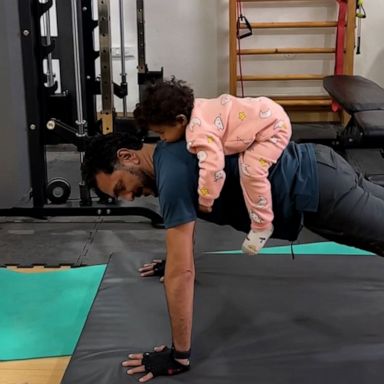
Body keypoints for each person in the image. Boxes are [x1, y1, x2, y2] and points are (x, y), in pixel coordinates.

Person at [82, 131, 384, 382]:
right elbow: (186, 228)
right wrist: (175, 258)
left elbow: (182, 275)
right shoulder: (170, 150)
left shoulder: (170, 175)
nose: (129, 197)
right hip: (322, 164)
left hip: (320, 190)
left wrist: (179, 356)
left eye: (122, 186)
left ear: (127, 156)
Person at [134, 78, 292, 254]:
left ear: (180, 120)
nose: (162, 139)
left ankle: (262, 225)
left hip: (273, 129)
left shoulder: (198, 132)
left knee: (251, 171)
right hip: (266, 112)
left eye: (162, 133)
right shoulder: (197, 107)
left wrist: (206, 198)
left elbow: (213, 167)